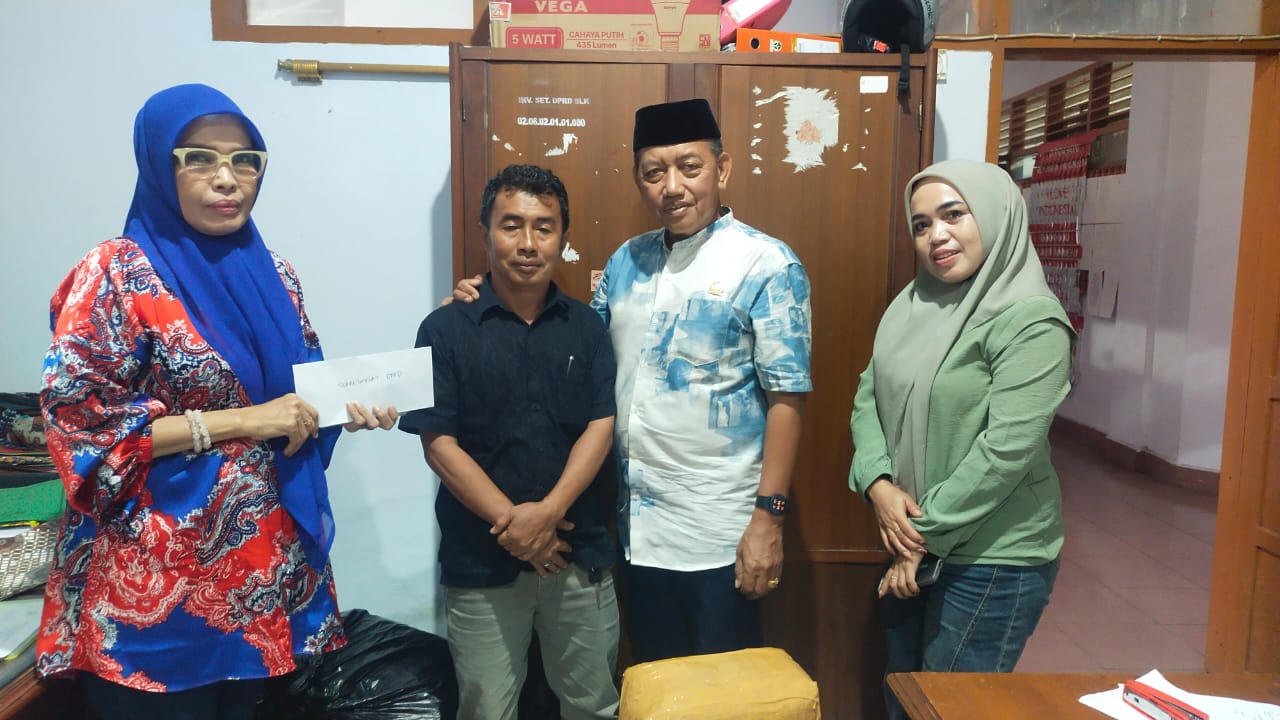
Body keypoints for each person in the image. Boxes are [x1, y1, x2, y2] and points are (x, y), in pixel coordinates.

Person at [37, 83, 396, 720]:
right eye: (199, 158)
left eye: (245, 160)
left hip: (260, 587)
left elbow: (299, 400)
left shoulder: (275, 275)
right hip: (155, 599)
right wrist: (247, 420)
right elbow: (85, 430)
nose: (227, 178)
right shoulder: (114, 274)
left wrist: (348, 407)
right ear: (159, 165)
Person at [453, 98, 812, 662]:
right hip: (634, 531)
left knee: (724, 691)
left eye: (689, 167)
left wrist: (769, 519)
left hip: (723, 530)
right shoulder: (626, 262)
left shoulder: (765, 263)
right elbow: (570, 343)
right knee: (655, 686)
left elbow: (787, 398)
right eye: (653, 172)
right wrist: (483, 295)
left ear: (721, 169)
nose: (672, 187)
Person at [848, 159, 1075, 719]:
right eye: (921, 224)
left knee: (947, 709)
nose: (937, 235)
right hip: (914, 538)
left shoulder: (1031, 322)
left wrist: (917, 537)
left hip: (992, 559)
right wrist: (878, 484)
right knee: (904, 698)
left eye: (954, 215)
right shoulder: (913, 305)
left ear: (996, 216)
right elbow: (868, 395)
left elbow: (1004, 454)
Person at [401, 164, 620, 719]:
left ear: (563, 237)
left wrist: (547, 514)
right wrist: (515, 525)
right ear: (485, 233)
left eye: (544, 227)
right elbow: (438, 442)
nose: (527, 243)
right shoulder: (442, 330)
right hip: (481, 559)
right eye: (511, 225)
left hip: (577, 552)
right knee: (486, 709)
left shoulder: (588, 328)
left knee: (593, 707)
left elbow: (600, 426)